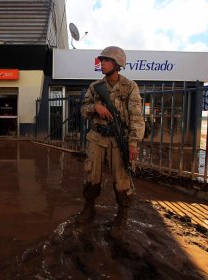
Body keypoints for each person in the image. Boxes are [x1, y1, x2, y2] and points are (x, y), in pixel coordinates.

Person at [79, 46, 145, 239]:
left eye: (106, 61)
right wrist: (95, 106)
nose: (102, 64)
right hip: (97, 138)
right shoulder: (95, 86)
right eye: (102, 60)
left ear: (117, 64)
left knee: (122, 177)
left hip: (119, 140)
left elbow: (136, 117)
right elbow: (83, 110)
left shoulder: (129, 86)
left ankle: (122, 215)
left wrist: (133, 142)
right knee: (92, 175)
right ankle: (89, 208)